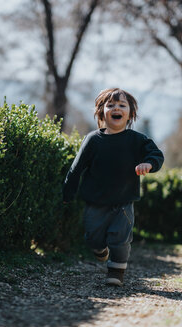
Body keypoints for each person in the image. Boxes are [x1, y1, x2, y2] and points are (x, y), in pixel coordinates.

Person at [62, 88, 164, 286]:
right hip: (95, 202)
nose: (116, 108)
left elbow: (157, 154)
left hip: (123, 202)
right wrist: (68, 192)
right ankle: (100, 250)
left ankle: (116, 272)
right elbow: (76, 169)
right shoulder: (93, 140)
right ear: (101, 112)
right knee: (93, 238)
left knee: (120, 238)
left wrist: (149, 164)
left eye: (122, 105)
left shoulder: (137, 140)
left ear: (130, 114)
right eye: (111, 105)